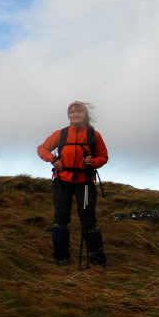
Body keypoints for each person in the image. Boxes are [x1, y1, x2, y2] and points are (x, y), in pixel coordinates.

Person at [37, 101, 108, 267]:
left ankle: (97, 259)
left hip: (85, 182)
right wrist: (53, 159)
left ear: (84, 114)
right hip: (62, 181)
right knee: (60, 219)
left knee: (88, 220)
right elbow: (42, 149)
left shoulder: (93, 135)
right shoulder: (60, 134)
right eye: (72, 112)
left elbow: (104, 156)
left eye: (79, 112)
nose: (75, 115)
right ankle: (61, 257)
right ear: (68, 115)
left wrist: (94, 161)